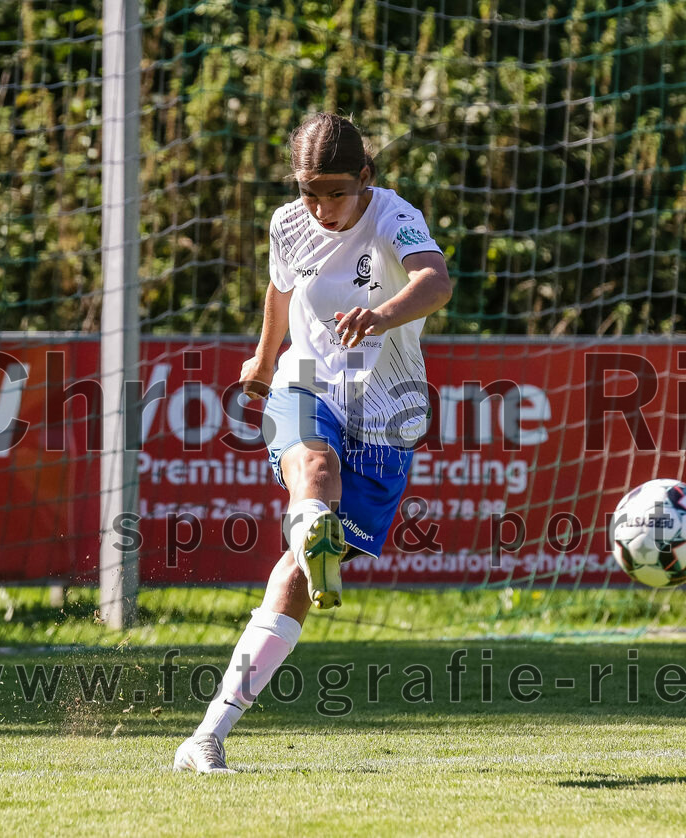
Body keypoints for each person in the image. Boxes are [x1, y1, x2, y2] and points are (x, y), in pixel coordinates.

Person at [174, 113, 452, 773]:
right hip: (307, 386)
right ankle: (314, 523)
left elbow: (435, 281)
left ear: (365, 177)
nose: (323, 207)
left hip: (385, 415)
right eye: (309, 192)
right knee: (316, 470)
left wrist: (381, 314)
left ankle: (205, 734)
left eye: (335, 191)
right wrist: (264, 361)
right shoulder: (287, 223)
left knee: (296, 577)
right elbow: (280, 292)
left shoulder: (393, 215)